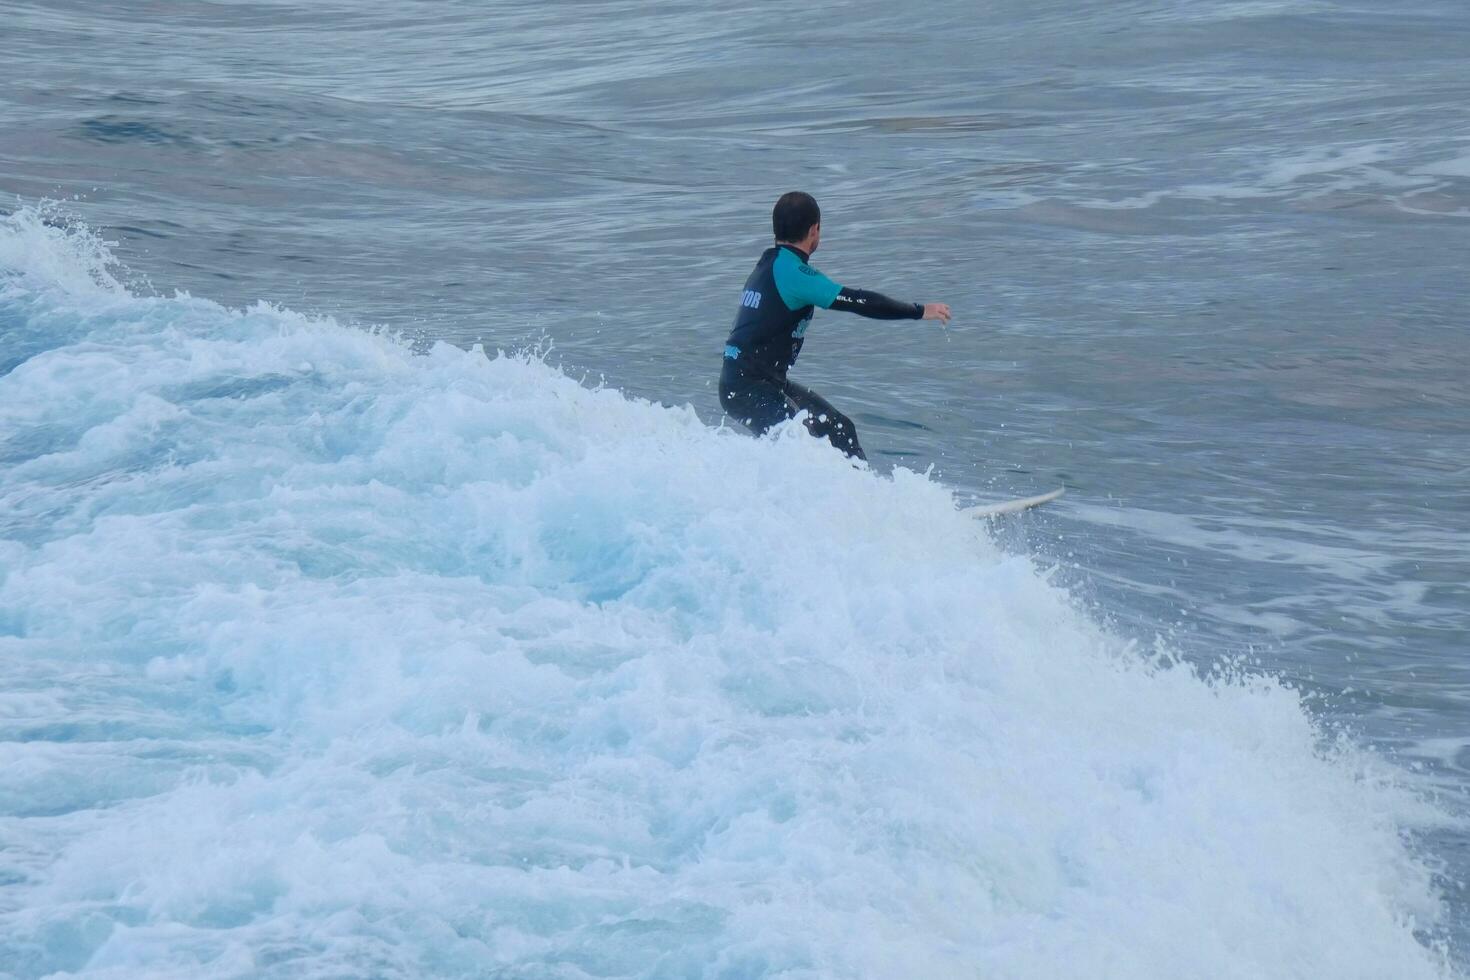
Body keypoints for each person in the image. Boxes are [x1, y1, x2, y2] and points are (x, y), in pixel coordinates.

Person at [719, 191, 951, 460]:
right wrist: (919, 311)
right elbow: (858, 301)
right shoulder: (793, 273)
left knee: (839, 431)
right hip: (749, 387)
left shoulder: (769, 264)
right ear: (814, 230)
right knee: (800, 446)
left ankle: (864, 498)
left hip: (751, 383)